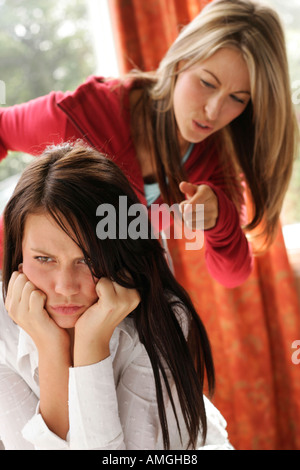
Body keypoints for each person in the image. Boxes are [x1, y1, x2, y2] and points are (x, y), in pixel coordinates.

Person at [0, 0, 297, 288]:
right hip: (17, 284)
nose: (213, 111)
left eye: (237, 98)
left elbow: (232, 274)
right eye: (207, 83)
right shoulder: (83, 115)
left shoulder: (213, 160)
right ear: (181, 61)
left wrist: (220, 219)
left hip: (89, 303)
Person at [0, 142, 232, 450]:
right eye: (44, 259)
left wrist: (91, 346)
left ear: (118, 253)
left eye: (88, 260)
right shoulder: (4, 328)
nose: (66, 286)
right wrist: (51, 348)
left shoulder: (161, 317)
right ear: (18, 258)